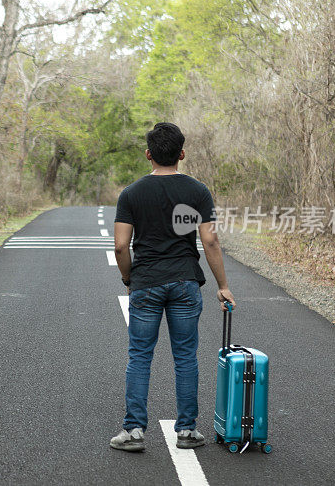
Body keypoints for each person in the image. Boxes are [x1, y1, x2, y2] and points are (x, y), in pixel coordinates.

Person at [109, 122, 236, 452]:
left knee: (139, 356)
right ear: (181, 154)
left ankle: (134, 431)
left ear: (148, 155)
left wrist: (128, 279)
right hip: (184, 281)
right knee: (185, 357)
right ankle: (187, 431)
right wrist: (222, 286)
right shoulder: (197, 191)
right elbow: (210, 239)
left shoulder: (131, 194)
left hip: (146, 283)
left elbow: (121, 247)